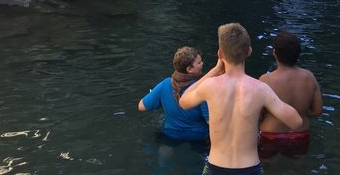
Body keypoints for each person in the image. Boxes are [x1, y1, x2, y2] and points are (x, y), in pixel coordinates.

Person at [180, 23, 302, 175]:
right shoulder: (260, 89)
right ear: (249, 51)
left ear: (220, 54)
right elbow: (296, 121)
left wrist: (214, 70)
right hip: (250, 169)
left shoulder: (209, 86)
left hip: (215, 168)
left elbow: (183, 101)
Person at [258, 31, 322, 158]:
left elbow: (257, 115)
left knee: (269, 169)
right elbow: (317, 110)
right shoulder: (309, 77)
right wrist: (301, 112)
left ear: (275, 53)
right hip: (300, 135)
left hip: (270, 136)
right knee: (297, 168)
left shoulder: (265, 80)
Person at [138, 46, 209, 141]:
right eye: (199, 63)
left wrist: (160, 99)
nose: (202, 64)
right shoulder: (202, 88)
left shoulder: (165, 84)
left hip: (171, 134)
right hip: (198, 137)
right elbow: (211, 122)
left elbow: (141, 106)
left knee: (165, 149)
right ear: (189, 69)